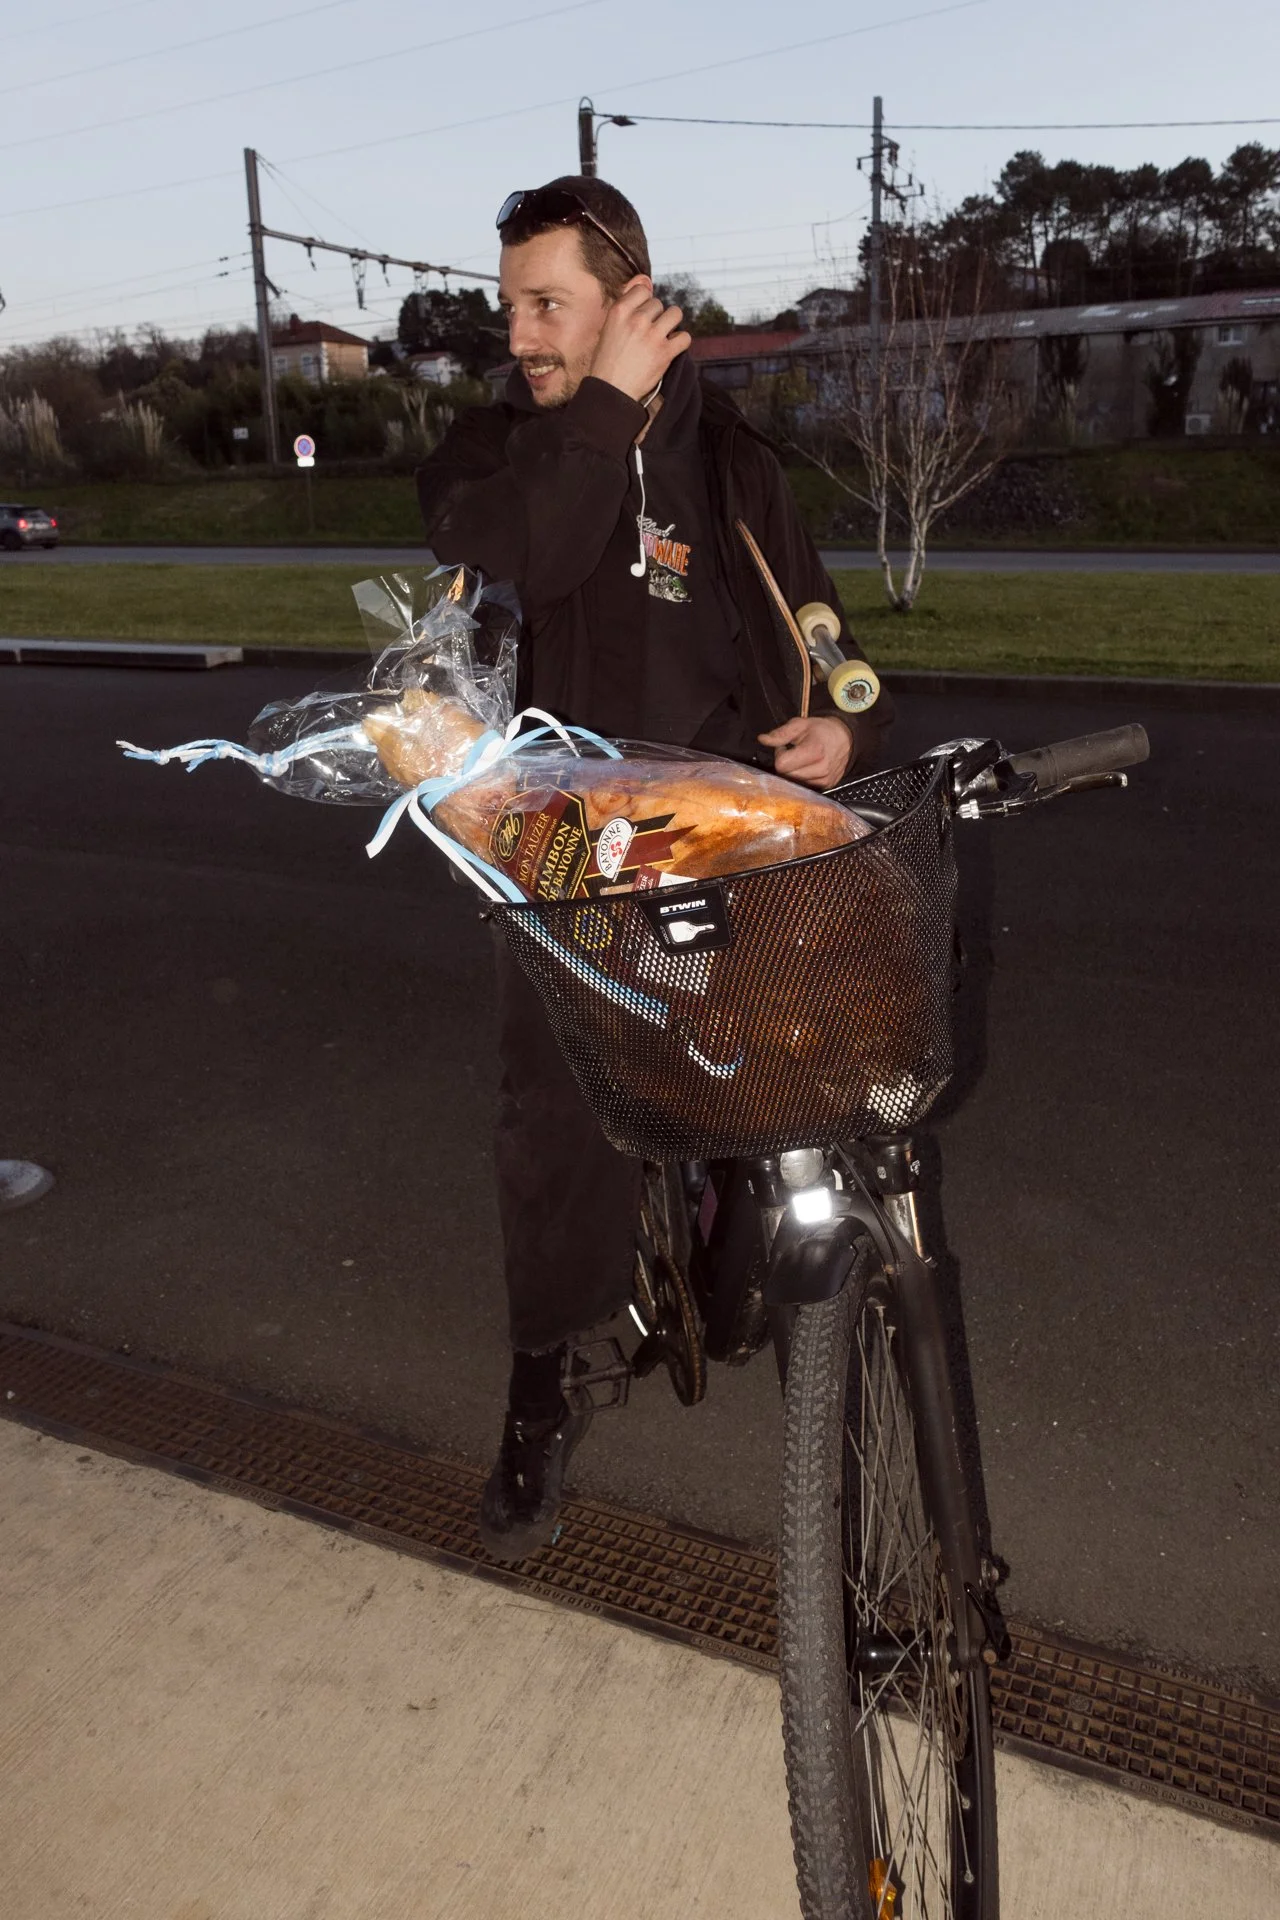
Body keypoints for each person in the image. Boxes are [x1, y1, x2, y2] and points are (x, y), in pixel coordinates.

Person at [416, 176, 894, 1562]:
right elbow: (521, 557)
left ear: (629, 300)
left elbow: (818, 621)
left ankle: (756, 1255)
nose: (520, 331)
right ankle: (537, 1386)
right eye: (510, 304)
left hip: (714, 833)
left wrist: (847, 715)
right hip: (558, 851)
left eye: (548, 303)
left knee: (780, 1069)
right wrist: (604, 410)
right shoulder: (493, 453)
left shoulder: (730, 459)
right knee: (555, 1122)